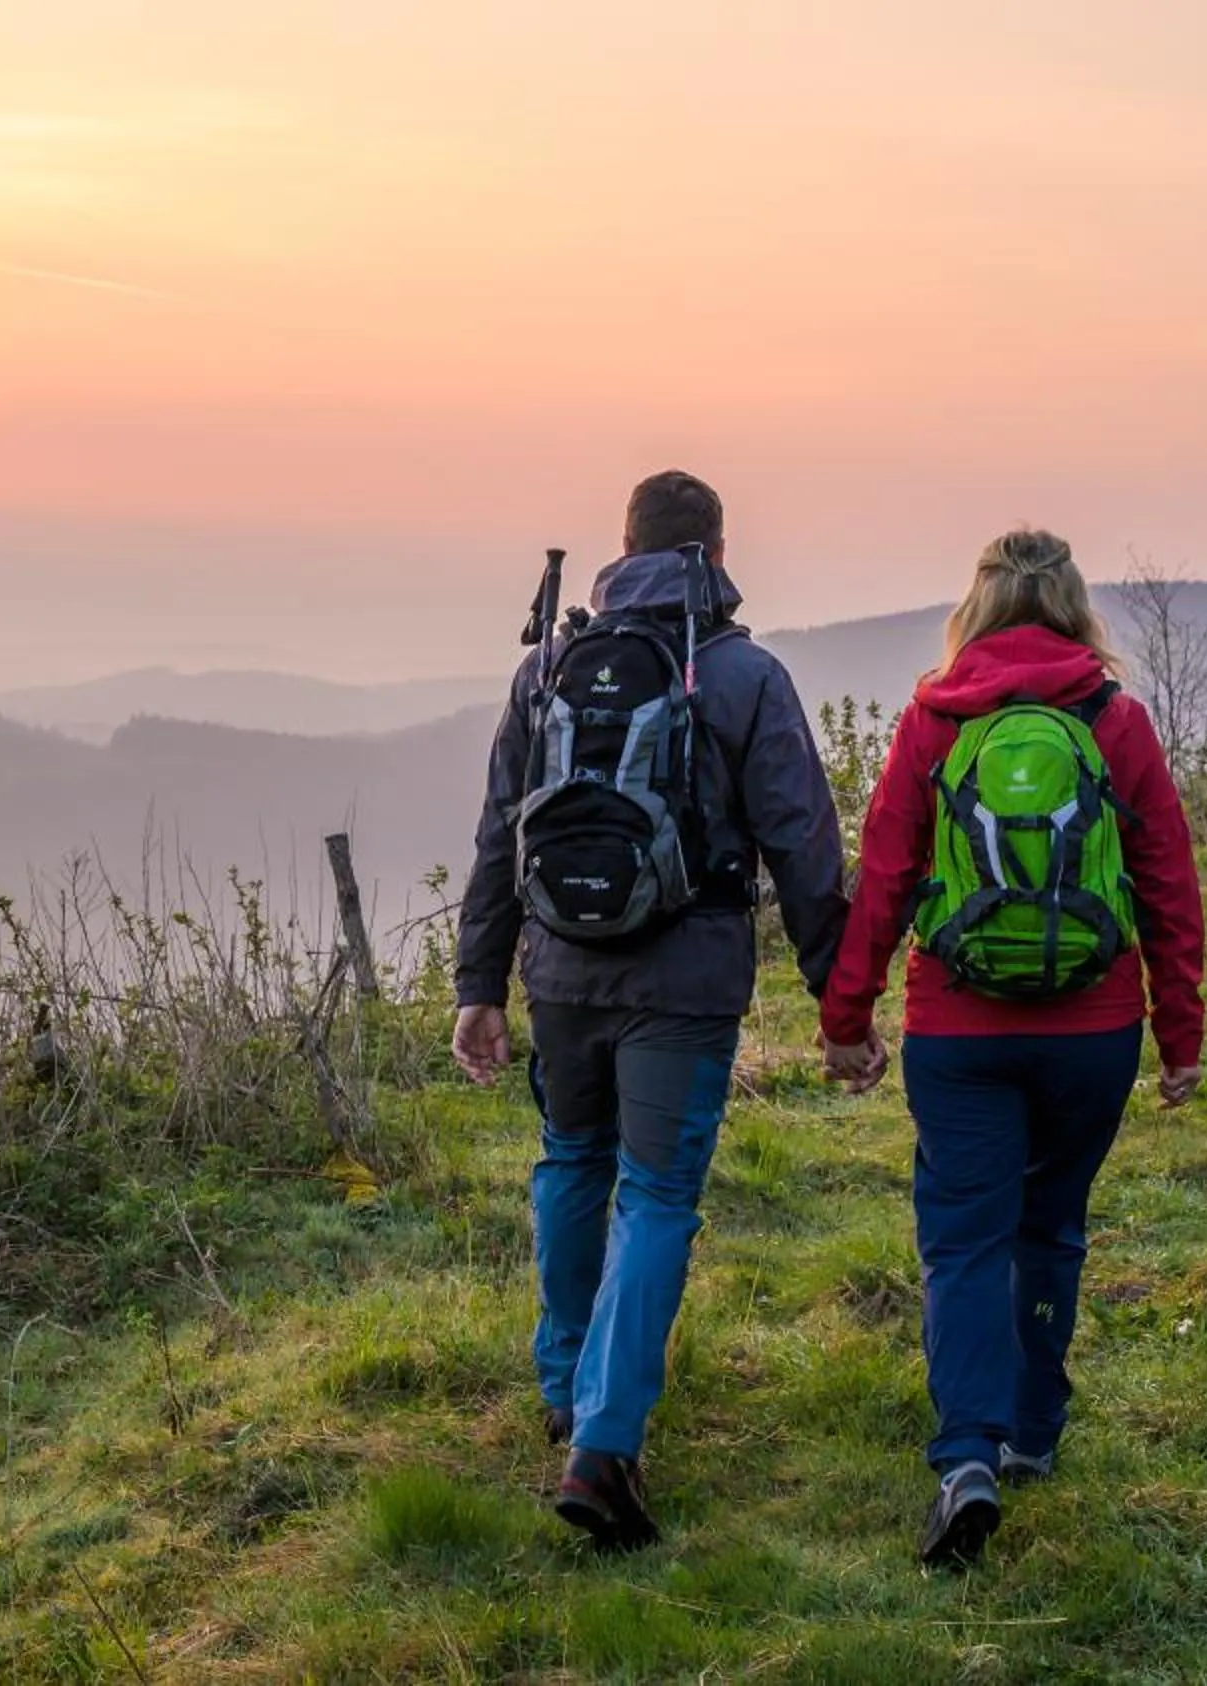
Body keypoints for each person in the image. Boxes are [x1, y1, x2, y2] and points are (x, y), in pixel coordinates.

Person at [453, 470, 849, 1551]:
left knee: (572, 1160)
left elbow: (502, 834)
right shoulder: (743, 676)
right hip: (687, 982)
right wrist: (840, 997)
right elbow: (804, 843)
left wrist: (479, 987)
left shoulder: (548, 670)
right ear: (715, 555)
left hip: (562, 972)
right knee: (660, 1194)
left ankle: (566, 1381)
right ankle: (603, 1445)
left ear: (620, 551)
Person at [820, 528, 1206, 1569]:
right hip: (1093, 1032)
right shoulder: (1114, 720)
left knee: (963, 1241)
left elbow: (887, 877)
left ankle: (967, 1460)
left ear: (977, 606)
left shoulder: (935, 717)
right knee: (1052, 1230)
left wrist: (846, 1020)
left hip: (957, 1035)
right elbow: (1166, 880)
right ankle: (1033, 1432)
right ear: (1076, 607)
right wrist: (1181, 1034)